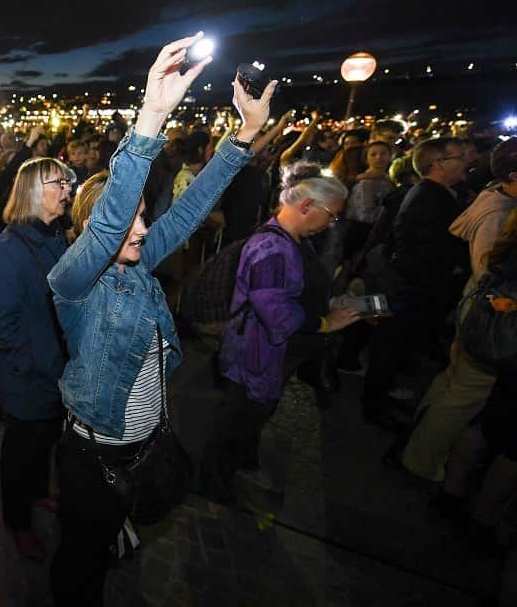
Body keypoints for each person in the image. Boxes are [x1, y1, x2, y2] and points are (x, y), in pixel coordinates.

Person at [45, 34, 278, 607]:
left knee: (109, 543)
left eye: (144, 217)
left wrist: (244, 134)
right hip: (94, 459)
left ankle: (113, 536)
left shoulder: (139, 265)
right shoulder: (74, 283)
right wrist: (151, 116)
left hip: (147, 446)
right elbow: (109, 225)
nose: (142, 231)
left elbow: (192, 209)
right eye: (129, 223)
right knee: (79, 567)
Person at [198, 163, 361, 504]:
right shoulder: (272, 248)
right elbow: (277, 312)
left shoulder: (291, 240)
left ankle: (230, 467)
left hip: (263, 352)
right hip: (253, 353)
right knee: (236, 420)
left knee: (246, 418)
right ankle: (213, 482)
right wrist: (327, 323)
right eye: (331, 215)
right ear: (306, 206)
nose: (332, 224)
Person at [400, 141, 517, 481]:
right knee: (464, 396)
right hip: (491, 316)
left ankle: (418, 440)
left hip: (479, 310)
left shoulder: (493, 199)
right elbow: (488, 273)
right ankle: (420, 459)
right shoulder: (499, 213)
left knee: (453, 385)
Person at [0, 154, 73, 561]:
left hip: (56, 373)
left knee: (44, 444)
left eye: (66, 182)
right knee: (20, 453)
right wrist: (34, 365)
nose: (68, 190)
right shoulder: (11, 248)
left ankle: (37, 495)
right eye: (59, 183)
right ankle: (15, 520)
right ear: (35, 194)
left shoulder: (56, 236)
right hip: (29, 378)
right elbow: (0, 325)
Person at [363, 137, 470, 430]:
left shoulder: (435, 193)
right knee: (388, 349)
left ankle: (379, 399)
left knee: (392, 349)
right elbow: (421, 253)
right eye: (458, 157)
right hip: (407, 289)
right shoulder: (429, 197)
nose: (466, 161)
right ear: (437, 164)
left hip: (409, 287)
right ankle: (374, 407)